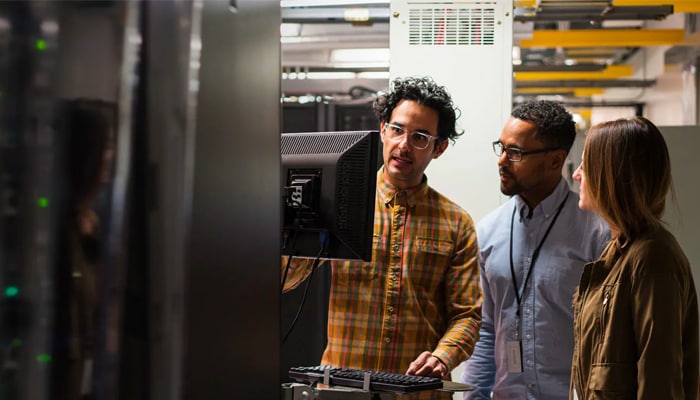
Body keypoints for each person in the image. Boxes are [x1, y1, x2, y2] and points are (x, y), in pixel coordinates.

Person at [282, 76, 482, 392]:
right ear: (382, 130)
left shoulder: (456, 223)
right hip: (342, 390)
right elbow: (287, 279)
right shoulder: (341, 202)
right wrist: (292, 224)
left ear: (439, 147)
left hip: (415, 391)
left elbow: (467, 316)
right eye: (397, 130)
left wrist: (442, 358)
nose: (403, 145)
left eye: (419, 137)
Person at [461, 100, 610, 399]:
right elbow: (488, 329)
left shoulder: (597, 233)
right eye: (501, 148)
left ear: (556, 160)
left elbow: (609, 337)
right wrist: (474, 396)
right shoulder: (489, 232)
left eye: (515, 153)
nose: (502, 161)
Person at [569, 117, 699, 400]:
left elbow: (659, 384)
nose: (577, 174)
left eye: (585, 165)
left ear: (610, 174)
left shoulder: (652, 259)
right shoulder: (619, 252)